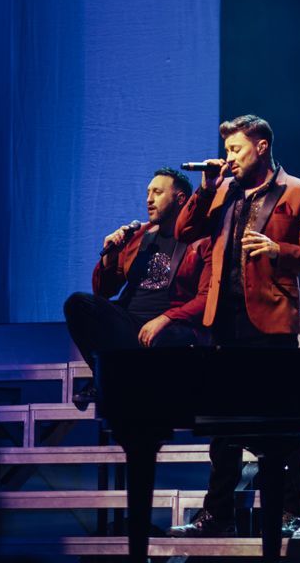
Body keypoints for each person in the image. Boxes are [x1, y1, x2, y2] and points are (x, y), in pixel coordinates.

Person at [170, 115, 300, 540]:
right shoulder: (223, 191)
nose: (229, 158)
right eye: (227, 150)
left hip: (270, 325)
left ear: (261, 147)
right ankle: (217, 514)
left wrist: (279, 250)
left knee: (282, 424)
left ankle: (291, 514)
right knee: (222, 427)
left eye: (236, 149)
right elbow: (184, 230)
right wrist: (206, 188)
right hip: (223, 323)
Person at [62, 169, 213, 410]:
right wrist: (109, 257)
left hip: (171, 327)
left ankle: (108, 380)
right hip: (131, 321)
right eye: (148, 193)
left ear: (180, 199)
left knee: (163, 340)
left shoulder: (200, 240)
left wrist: (165, 319)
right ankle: (103, 376)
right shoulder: (140, 236)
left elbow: (206, 298)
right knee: (77, 304)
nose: (149, 199)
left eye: (158, 192)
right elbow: (103, 292)